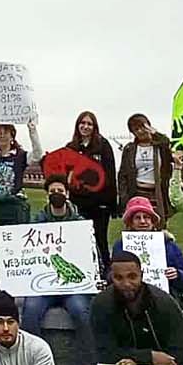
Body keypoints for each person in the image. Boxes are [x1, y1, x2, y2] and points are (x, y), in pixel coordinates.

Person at [20, 177, 98, 365]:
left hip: (73, 286)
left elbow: (91, 255)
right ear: (47, 195)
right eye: (52, 190)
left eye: (60, 190)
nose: (57, 193)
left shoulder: (81, 222)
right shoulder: (36, 223)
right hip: (43, 284)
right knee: (31, 311)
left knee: (82, 313)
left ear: (67, 194)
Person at [91, 250, 183, 365]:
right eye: (119, 278)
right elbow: (102, 352)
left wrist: (144, 363)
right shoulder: (101, 304)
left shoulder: (164, 303)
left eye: (132, 277)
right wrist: (146, 358)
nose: (126, 283)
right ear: (111, 277)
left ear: (142, 275)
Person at [61, 110, 117, 266]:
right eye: (83, 123)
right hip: (78, 203)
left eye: (89, 124)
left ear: (94, 127)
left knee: (100, 240)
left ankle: (105, 271)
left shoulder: (103, 145)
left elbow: (110, 174)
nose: (85, 127)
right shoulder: (70, 147)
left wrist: (111, 203)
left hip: (99, 204)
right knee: (79, 240)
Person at [112, 196, 183, 296]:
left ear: (153, 222)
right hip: (128, 295)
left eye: (146, 217)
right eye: (137, 218)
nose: (142, 221)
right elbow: (110, 276)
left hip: (165, 296)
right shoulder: (120, 246)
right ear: (130, 223)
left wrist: (177, 275)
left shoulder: (169, 244)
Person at [117, 112, 175, 220]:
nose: (139, 131)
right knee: (138, 223)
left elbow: (168, 144)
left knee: (157, 222)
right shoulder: (129, 149)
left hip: (157, 192)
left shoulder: (160, 147)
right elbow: (122, 175)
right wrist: (123, 197)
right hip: (137, 191)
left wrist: (155, 133)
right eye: (135, 130)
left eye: (142, 127)